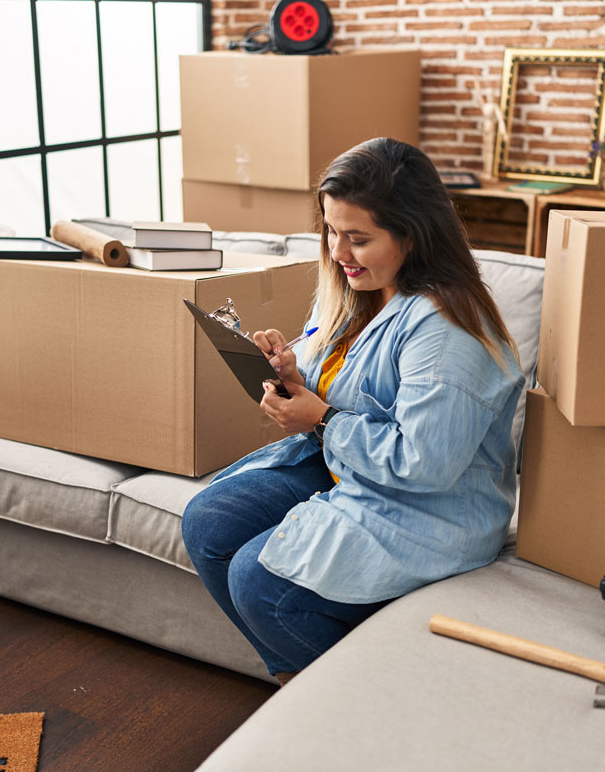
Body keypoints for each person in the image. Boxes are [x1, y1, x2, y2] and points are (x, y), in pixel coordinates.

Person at [181, 137, 524, 685]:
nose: (339, 251)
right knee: (209, 521)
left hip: (429, 507)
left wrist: (321, 420)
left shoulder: (446, 332)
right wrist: (293, 376)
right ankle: (300, 684)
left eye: (358, 238)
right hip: (348, 467)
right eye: (330, 230)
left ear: (413, 235)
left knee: (258, 581)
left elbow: (424, 463)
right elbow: (346, 385)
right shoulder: (354, 287)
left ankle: (354, 701)